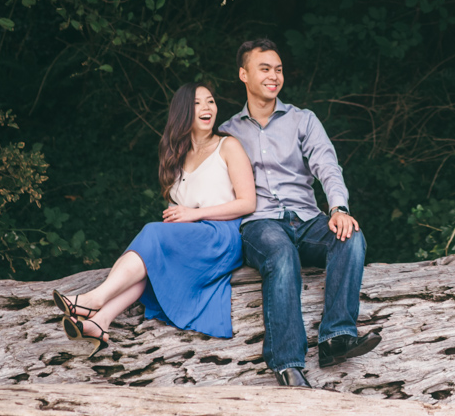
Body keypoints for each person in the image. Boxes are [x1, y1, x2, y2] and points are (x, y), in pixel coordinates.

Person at [218, 38, 380, 387]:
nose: (274, 76)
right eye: (265, 69)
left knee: (349, 236)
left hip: (306, 218)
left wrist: (338, 208)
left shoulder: (303, 120)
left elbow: (327, 164)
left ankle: (336, 337)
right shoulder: (228, 132)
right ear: (243, 74)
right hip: (260, 224)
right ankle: (287, 362)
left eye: (278, 69)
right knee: (281, 253)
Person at [51, 82, 256, 355]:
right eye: (197, 103)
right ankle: (99, 322)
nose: (207, 108)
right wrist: (180, 218)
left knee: (151, 235)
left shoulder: (228, 146)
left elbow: (247, 202)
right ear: (183, 111)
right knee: (151, 261)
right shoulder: (177, 158)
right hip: (193, 237)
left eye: (210, 101)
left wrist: (194, 214)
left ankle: (95, 298)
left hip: (221, 238)